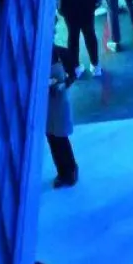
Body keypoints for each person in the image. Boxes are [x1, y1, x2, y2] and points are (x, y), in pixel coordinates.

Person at [47, 47, 78, 188]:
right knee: (51, 137)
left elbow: (73, 74)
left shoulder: (62, 53)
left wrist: (63, 85)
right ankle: (61, 172)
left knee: (61, 136)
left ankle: (71, 170)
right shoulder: (38, 57)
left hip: (59, 101)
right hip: (46, 103)